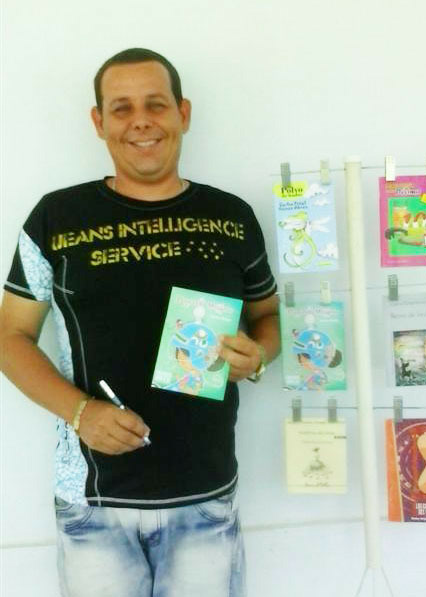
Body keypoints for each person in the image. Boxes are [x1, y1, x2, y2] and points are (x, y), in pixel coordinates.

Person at [0, 48, 279, 597]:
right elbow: (9, 336)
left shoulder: (233, 217)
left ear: (183, 113)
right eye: (122, 108)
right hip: (94, 501)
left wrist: (259, 355)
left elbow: (267, 316)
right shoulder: (55, 218)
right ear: (99, 121)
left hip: (206, 494)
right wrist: (80, 412)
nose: (141, 121)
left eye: (156, 104)